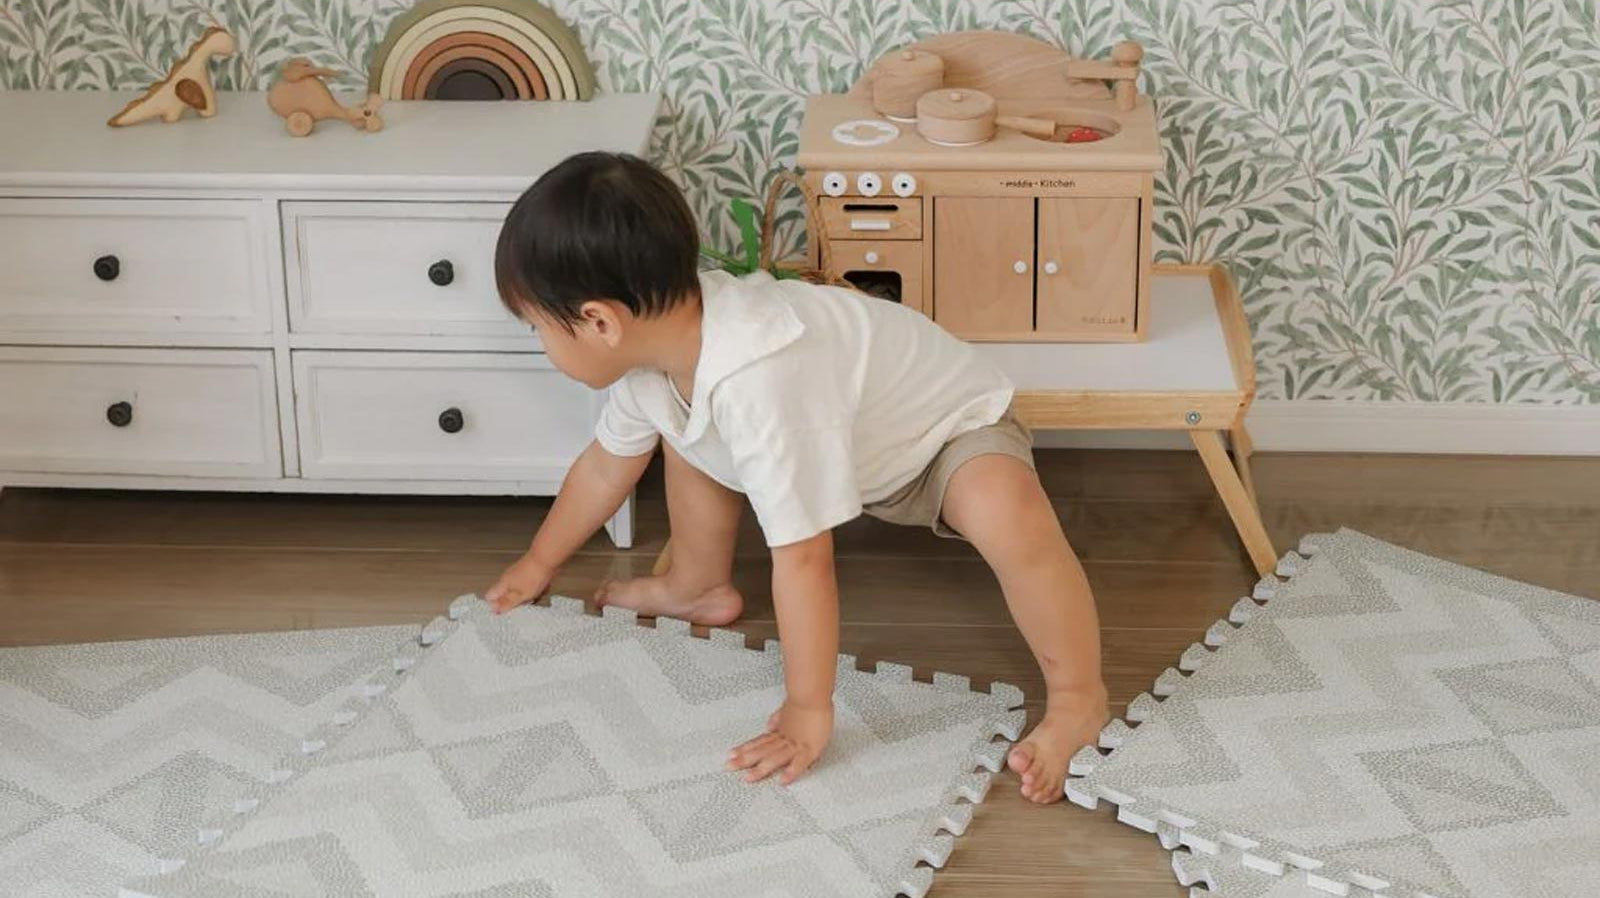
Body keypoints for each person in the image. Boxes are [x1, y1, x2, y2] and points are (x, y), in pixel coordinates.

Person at [484, 151, 1107, 803]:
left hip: (942, 434)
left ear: (600, 322)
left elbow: (806, 559)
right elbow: (604, 465)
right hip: (846, 449)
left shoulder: (761, 377)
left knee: (1005, 509)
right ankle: (696, 584)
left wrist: (809, 707)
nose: (541, 345)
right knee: (685, 429)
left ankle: (1078, 697)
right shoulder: (658, 362)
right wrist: (538, 563)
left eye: (538, 329)